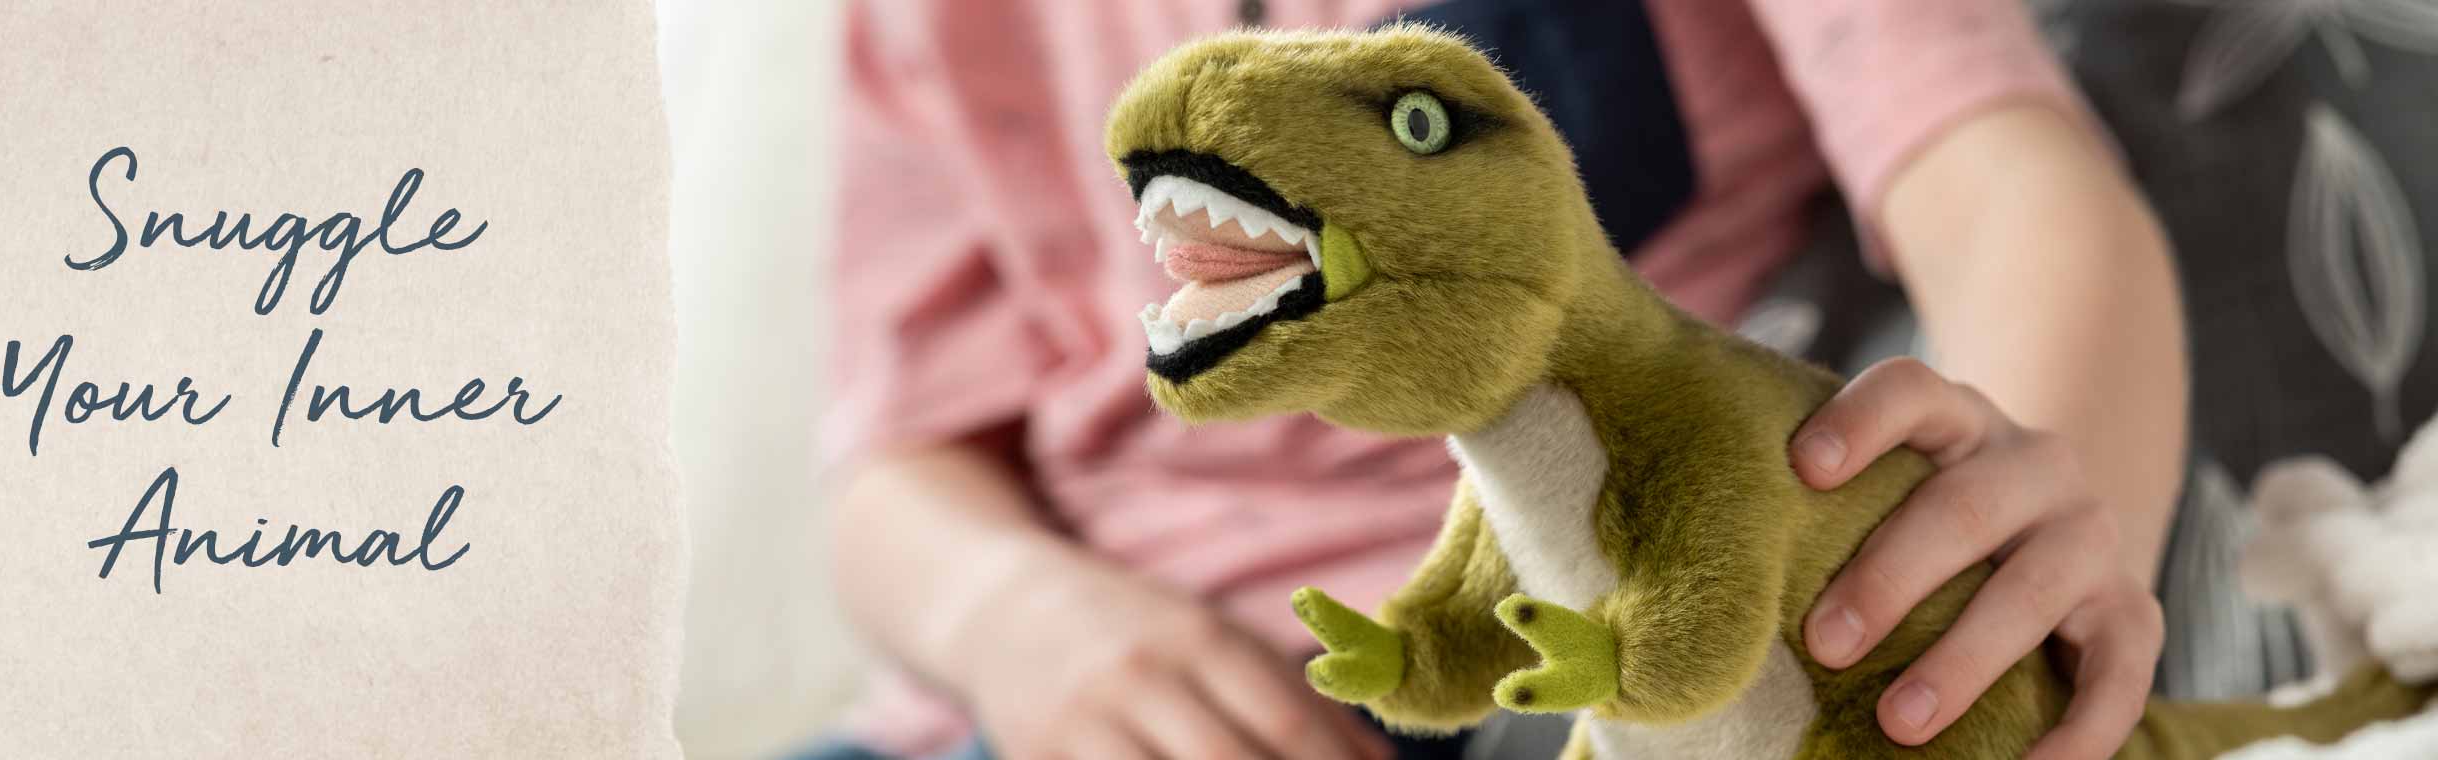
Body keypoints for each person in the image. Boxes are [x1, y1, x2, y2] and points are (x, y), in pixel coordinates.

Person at [805, 1, 2187, 758]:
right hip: (1044, 691)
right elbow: (896, 459)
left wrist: (2010, 576)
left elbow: (2015, 195)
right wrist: (1027, 623)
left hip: (1554, 681)